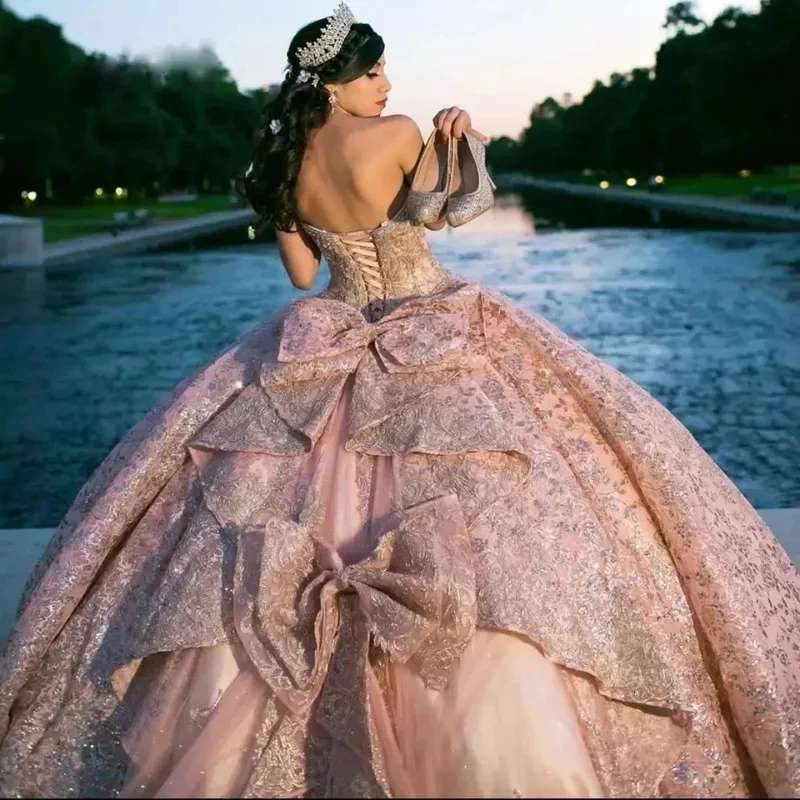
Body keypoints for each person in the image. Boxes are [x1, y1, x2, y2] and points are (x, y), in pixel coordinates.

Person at [1, 4, 798, 798]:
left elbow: (303, 279)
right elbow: (444, 214)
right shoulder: (399, 131)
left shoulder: (277, 160)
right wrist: (461, 142)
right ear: (337, 82)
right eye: (372, 71)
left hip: (330, 331)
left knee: (271, 498)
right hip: (428, 323)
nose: (386, 86)